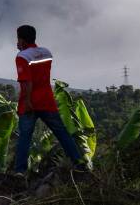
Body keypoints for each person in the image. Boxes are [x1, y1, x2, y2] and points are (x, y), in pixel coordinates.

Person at [13, 25, 85, 174]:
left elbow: (27, 82)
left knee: (25, 138)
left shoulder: (22, 57)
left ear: (22, 40)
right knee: (62, 133)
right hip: (47, 101)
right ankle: (79, 163)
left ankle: (20, 172)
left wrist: (27, 102)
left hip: (30, 103)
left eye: (18, 39)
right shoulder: (47, 53)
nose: (17, 42)